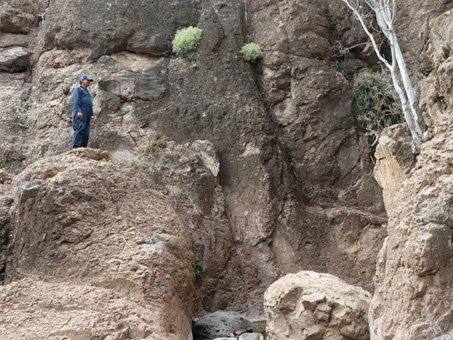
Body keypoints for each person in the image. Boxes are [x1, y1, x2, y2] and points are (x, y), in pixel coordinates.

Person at [72, 75, 95, 148]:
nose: (88, 82)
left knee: (86, 133)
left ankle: (83, 149)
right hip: (81, 111)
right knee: (80, 129)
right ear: (82, 80)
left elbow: (90, 105)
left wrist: (92, 116)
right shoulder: (77, 89)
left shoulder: (87, 92)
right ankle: (76, 148)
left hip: (87, 113)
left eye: (89, 81)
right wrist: (78, 111)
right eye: (87, 80)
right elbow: (75, 101)